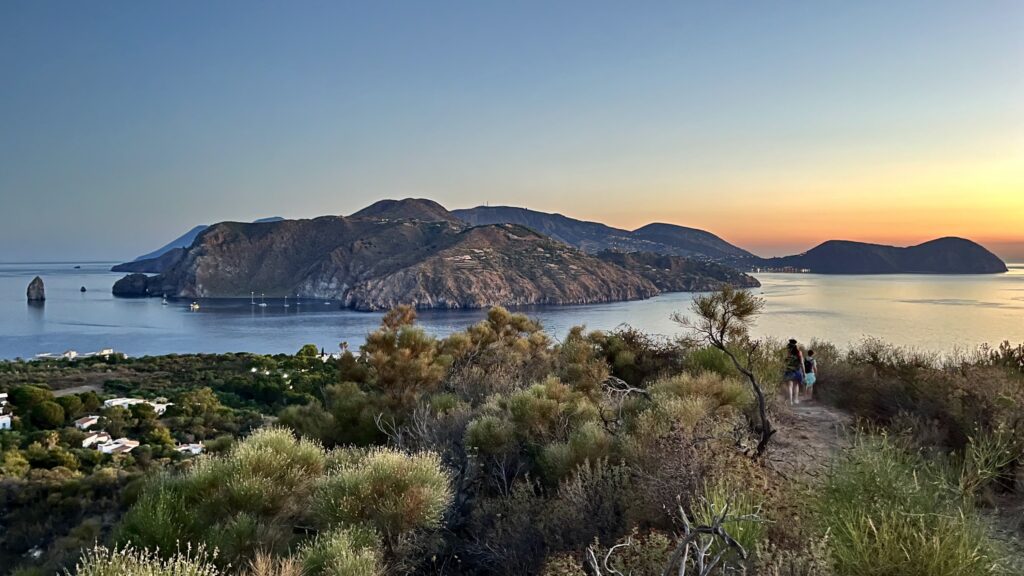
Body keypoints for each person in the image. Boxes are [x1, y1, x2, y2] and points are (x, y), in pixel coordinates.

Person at [784, 339, 805, 405]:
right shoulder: (799, 352)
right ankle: (795, 399)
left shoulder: (787, 352)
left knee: (789, 386)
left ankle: (790, 401)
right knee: (796, 385)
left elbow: (784, 362)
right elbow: (802, 363)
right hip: (797, 371)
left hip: (789, 370)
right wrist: (804, 373)